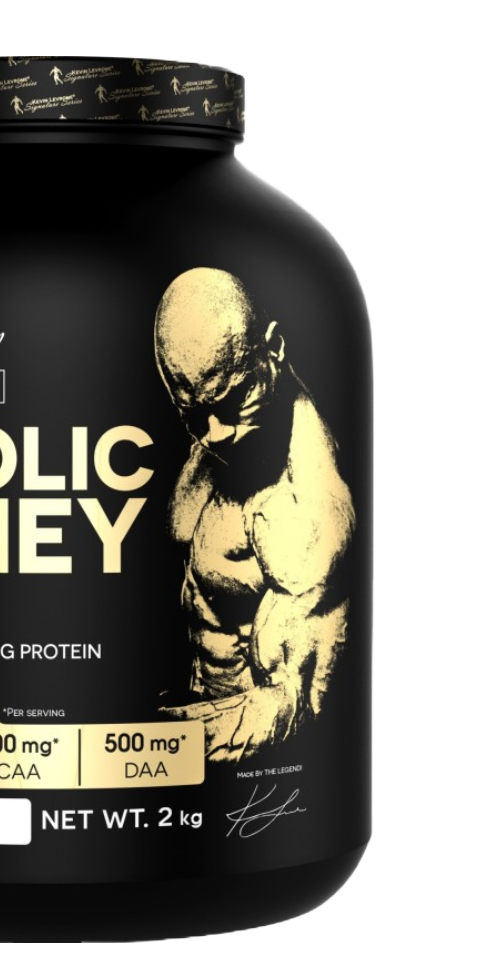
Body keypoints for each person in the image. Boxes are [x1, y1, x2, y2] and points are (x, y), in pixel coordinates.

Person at [154, 268, 354, 762]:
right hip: (192, 727)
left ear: (274, 348)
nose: (215, 434)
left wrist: (153, 742)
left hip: (245, 768)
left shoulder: (304, 513)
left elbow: (294, 704)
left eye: (233, 399)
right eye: (193, 414)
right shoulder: (219, 437)